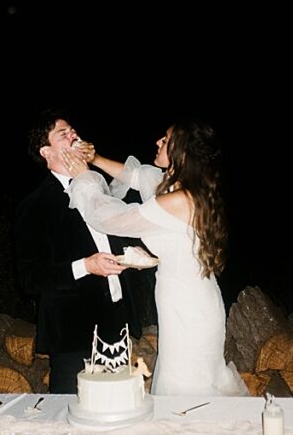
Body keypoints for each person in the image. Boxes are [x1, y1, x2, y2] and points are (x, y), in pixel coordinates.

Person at [61, 118, 247, 396]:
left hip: (187, 309)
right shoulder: (180, 188)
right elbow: (137, 176)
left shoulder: (177, 200)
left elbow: (110, 219)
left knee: (185, 385)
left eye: (166, 140)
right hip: (191, 297)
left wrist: (83, 177)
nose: (157, 142)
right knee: (192, 378)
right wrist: (96, 158)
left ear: (181, 154)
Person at [14, 110, 142, 394]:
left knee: (118, 412)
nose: (74, 135)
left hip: (116, 323)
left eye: (73, 130)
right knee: (71, 423)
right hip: (72, 334)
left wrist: (130, 254)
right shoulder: (35, 206)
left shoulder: (99, 188)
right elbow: (30, 278)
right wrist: (86, 265)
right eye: (63, 134)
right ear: (45, 151)